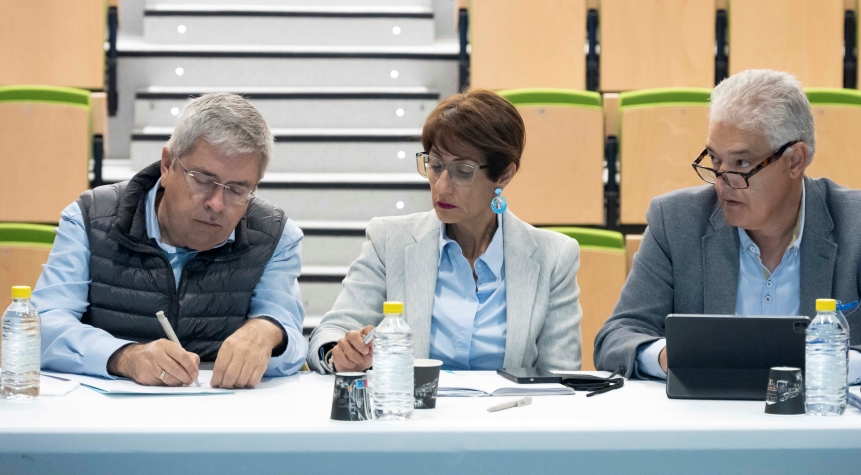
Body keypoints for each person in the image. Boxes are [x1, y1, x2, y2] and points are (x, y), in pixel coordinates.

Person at [594, 70, 861, 385]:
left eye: (741, 163)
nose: (722, 181)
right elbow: (616, 339)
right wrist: (665, 356)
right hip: (707, 431)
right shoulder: (676, 220)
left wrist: (838, 365)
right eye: (715, 160)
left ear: (795, 160)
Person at [33, 93, 306, 389]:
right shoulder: (92, 218)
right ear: (167, 165)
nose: (216, 203)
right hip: (105, 422)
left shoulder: (275, 235)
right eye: (202, 180)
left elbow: (291, 346)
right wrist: (125, 357)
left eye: (237, 190)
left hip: (225, 421)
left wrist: (266, 334)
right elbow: (40, 326)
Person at [308, 89, 582, 373]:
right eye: (435, 166)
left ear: (504, 175)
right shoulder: (388, 241)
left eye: (462, 171)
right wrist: (339, 354)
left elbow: (561, 376)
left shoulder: (554, 256)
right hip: (414, 413)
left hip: (508, 415)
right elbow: (330, 332)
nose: (441, 186)